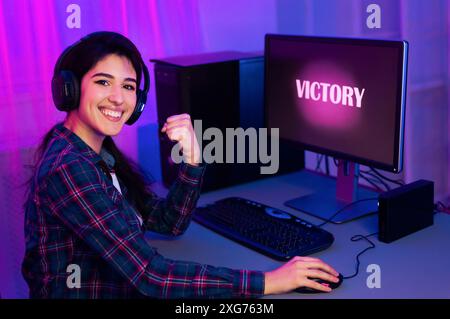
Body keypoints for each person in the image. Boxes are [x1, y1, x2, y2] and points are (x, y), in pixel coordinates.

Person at [22, 31, 339, 299]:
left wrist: (193, 159)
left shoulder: (98, 155)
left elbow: (168, 223)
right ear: (70, 89)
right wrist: (270, 281)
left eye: (129, 86)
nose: (118, 98)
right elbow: (151, 276)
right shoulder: (69, 168)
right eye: (104, 82)